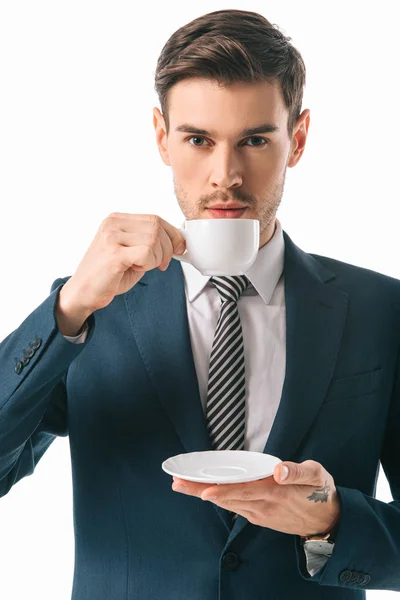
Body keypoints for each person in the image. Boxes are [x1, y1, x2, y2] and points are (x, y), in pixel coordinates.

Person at [1, 8, 399, 600]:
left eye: (255, 140)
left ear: (299, 138)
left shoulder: (380, 310)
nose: (226, 175)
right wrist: (69, 308)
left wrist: (330, 519)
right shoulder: (91, 309)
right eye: (198, 139)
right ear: (162, 137)